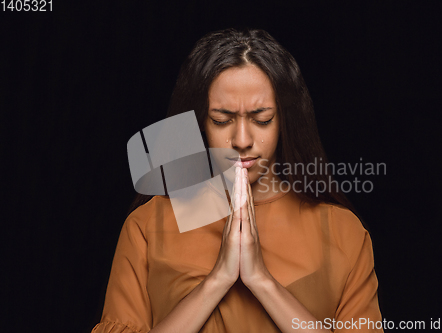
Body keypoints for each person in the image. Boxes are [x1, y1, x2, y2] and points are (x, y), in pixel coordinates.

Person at [91, 28, 383, 333]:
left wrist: (261, 280)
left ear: (286, 121)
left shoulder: (342, 232)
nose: (242, 140)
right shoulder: (148, 226)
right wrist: (218, 280)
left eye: (262, 119)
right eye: (221, 120)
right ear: (199, 122)